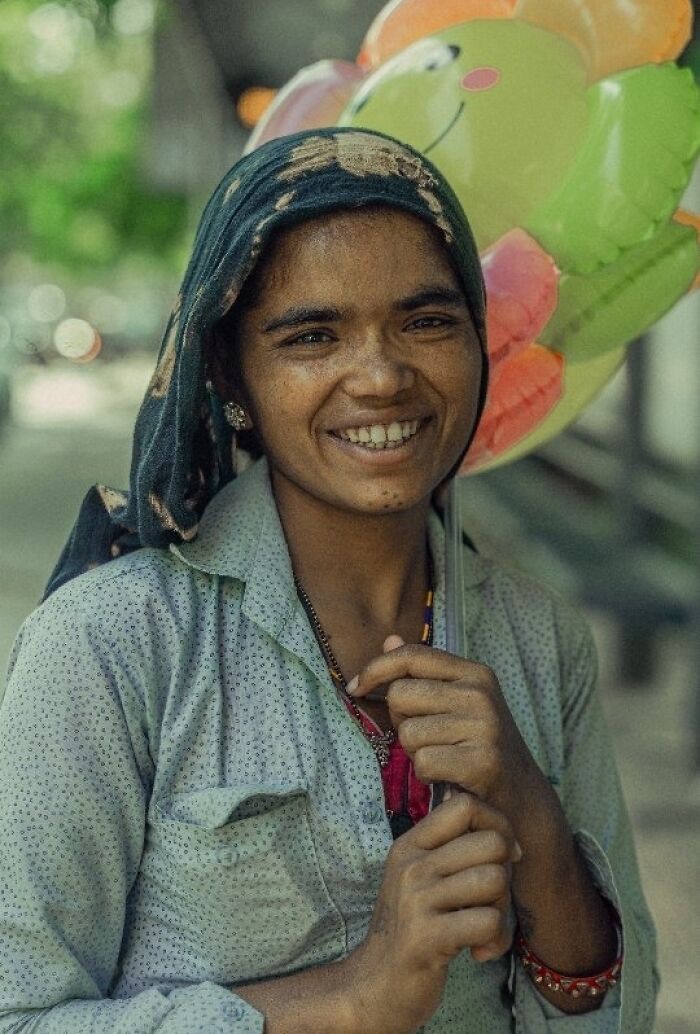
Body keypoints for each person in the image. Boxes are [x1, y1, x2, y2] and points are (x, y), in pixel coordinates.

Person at [0, 128, 657, 1033]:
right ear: (232, 374)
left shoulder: (543, 643)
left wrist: (537, 826)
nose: (382, 376)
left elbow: (623, 1009)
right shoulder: (110, 645)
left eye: (427, 321)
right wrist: (353, 995)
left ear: (477, 339)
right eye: (313, 335)